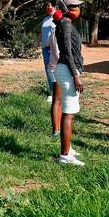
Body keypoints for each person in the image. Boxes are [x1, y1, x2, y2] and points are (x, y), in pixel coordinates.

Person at [55, 0, 85, 166]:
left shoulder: (65, 24)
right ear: (65, 9)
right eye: (73, 6)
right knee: (68, 113)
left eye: (78, 6)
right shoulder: (65, 25)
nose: (78, 9)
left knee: (69, 111)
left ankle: (68, 147)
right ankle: (65, 156)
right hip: (67, 71)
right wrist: (76, 75)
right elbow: (67, 52)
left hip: (66, 70)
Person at [48, 9, 64, 137]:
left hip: (54, 67)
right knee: (57, 101)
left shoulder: (53, 32)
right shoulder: (58, 33)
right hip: (57, 68)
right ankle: (56, 130)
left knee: (58, 101)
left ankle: (57, 129)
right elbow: (59, 54)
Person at [41, 1, 56, 103]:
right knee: (48, 70)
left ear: (54, 7)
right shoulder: (45, 19)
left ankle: (56, 93)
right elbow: (43, 32)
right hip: (45, 48)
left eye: (49, 6)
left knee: (54, 70)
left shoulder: (58, 18)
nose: (47, 8)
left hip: (54, 48)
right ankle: (52, 92)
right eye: (46, 6)